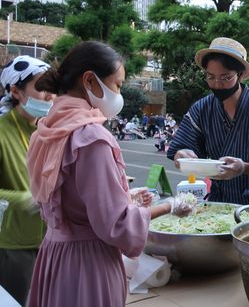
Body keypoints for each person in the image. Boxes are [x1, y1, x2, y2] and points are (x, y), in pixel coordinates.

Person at [25, 41, 193, 307]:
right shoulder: (91, 137)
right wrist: (168, 206)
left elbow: (65, 201)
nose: (119, 93)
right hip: (89, 265)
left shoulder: (45, 130)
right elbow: (117, 225)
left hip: (54, 258)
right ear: (90, 81)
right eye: (118, 84)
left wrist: (124, 196)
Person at [167, 37, 249, 214]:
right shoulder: (201, 108)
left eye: (225, 77)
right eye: (210, 77)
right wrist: (181, 155)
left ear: (241, 75)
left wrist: (243, 167)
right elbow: (181, 147)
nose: (217, 84)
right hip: (217, 203)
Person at [0, 55, 55, 305]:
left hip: (50, 239)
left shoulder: (46, 131)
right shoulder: (2, 131)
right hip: (14, 244)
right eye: (42, 88)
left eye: (53, 89)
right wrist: (23, 199)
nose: (50, 96)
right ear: (15, 91)